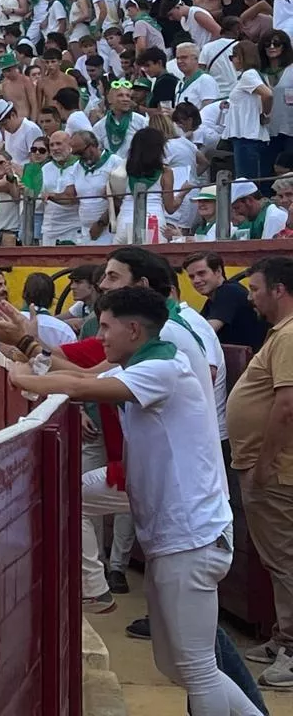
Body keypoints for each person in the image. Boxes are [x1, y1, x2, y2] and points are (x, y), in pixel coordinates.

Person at [10, 285, 255, 716]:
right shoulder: (151, 362)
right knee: (178, 665)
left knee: (195, 668)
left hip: (191, 535)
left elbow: (77, 387)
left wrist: (17, 376)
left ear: (134, 328)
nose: (100, 335)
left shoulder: (162, 368)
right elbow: (84, 377)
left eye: (106, 326)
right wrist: (26, 351)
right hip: (179, 532)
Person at [230, 257, 293, 688]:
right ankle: (283, 637)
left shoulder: (289, 336)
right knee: (279, 558)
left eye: (255, 289)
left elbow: (287, 406)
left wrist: (265, 464)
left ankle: (291, 647)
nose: (250, 297)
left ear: (279, 290)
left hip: (275, 469)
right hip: (271, 465)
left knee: (286, 560)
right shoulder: (281, 335)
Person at [186, 250, 266, 351]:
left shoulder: (229, 292)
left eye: (201, 273)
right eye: (192, 277)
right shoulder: (212, 300)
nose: (196, 280)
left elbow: (205, 332)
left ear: (218, 271)